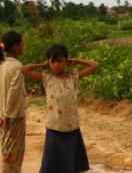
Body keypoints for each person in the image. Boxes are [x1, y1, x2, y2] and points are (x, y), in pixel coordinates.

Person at [20, 43, 99, 173]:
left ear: (66, 62)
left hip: (71, 129)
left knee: (69, 165)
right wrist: (42, 65)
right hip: (54, 128)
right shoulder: (47, 78)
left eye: (61, 61)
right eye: (53, 61)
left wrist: (77, 60)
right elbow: (23, 69)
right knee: (51, 165)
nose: (57, 64)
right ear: (49, 62)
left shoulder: (74, 78)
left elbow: (95, 65)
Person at [0, 31, 25, 173]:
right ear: (16, 47)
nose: (23, 46)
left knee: (6, 151)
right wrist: (7, 115)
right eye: (22, 44)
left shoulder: (2, 64)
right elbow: (13, 93)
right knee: (13, 156)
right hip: (13, 118)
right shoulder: (17, 66)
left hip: (3, 114)